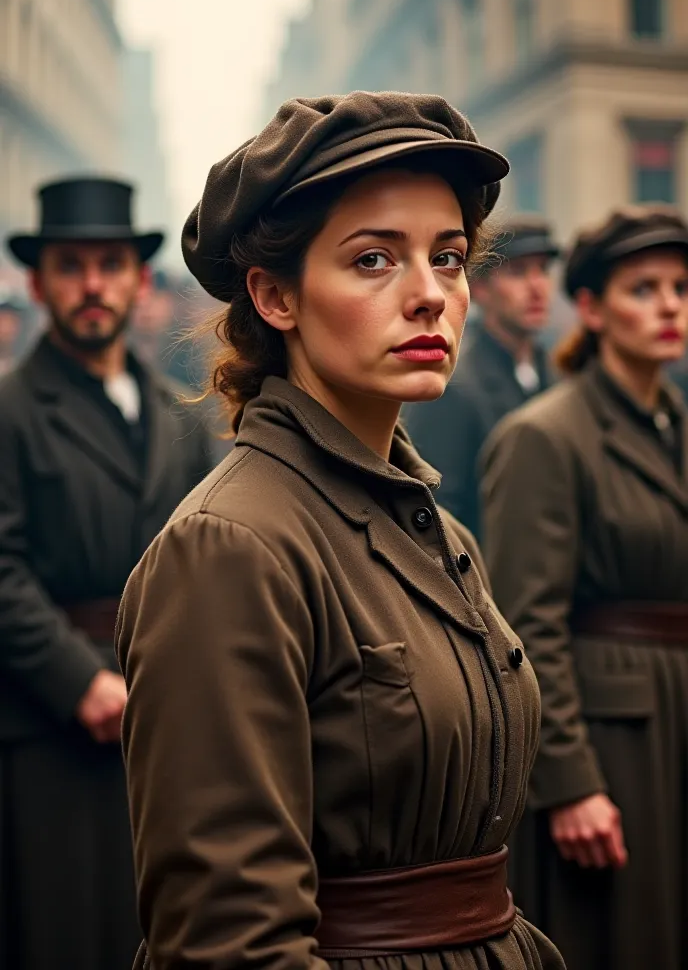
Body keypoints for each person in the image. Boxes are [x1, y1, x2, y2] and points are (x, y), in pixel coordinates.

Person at [116, 93, 565, 970]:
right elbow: (228, 941)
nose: (430, 295)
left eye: (448, 257)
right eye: (373, 260)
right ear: (275, 295)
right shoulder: (230, 547)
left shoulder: (441, 532)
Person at [0, 176, 213, 970]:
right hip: (46, 726)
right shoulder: (12, 410)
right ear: (40, 281)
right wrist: (78, 681)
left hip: (159, 712)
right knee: (63, 930)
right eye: (72, 265)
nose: (93, 285)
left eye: (110, 264)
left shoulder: (176, 411)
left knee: (154, 928)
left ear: (135, 277)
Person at [480, 205, 688, 970]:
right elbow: (527, 628)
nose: (669, 306)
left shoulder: (676, 424)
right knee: (620, 938)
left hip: (676, 716)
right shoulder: (546, 435)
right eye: (643, 289)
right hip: (612, 734)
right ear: (592, 309)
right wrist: (567, 781)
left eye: (680, 287)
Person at [403, 217, 559, 537]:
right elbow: (438, 510)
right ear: (480, 288)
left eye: (543, 270)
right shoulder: (456, 386)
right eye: (518, 272)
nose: (537, 287)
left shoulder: (558, 373)